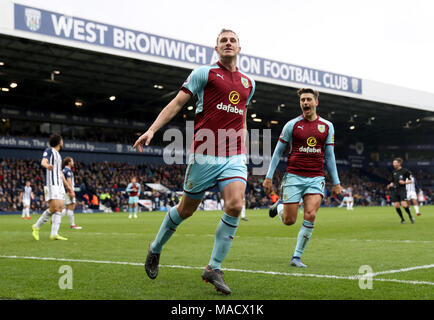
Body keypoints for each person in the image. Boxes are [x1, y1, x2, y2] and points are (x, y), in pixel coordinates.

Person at [133, 29, 255, 295]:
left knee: (235, 205)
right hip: (205, 153)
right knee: (185, 210)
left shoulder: (248, 83)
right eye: (223, 40)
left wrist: (243, 150)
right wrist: (152, 130)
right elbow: (177, 104)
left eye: (232, 40)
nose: (228, 43)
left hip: (234, 156)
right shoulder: (204, 73)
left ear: (240, 47)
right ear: (216, 48)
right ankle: (155, 248)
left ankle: (214, 267)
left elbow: (242, 118)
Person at [263, 88, 342, 268]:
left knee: (311, 214)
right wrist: (268, 177)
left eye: (308, 99)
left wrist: (336, 183)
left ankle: (296, 257)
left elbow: (329, 156)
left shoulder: (327, 126)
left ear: (316, 102)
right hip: (293, 176)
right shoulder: (292, 125)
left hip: (315, 177)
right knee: (289, 221)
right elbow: (277, 152)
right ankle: (280, 206)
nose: (305, 103)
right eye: (302, 100)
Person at [32, 134, 74, 241]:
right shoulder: (49, 150)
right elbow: (43, 162)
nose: (63, 142)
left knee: (60, 207)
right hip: (51, 183)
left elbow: (60, 173)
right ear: (59, 142)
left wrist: (68, 186)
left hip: (59, 184)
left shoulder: (59, 155)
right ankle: (36, 226)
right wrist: (47, 166)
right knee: (54, 208)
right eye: (62, 140)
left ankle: (54, 234)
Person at [386, 158, 415, 224]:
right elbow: (393, 182)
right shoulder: (393, 172)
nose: (393, 164)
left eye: (395, 163)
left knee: (404, 204)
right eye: (393, 163)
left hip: (402, 189)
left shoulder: (405, 171)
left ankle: (410, 216)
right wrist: (390, 185)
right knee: (396, 205)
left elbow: (411, 180)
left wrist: (404, 182)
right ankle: (402, 219)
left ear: (399, 163)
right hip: (394, 190)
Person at [62, 157, 82, 229]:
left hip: (64, 190)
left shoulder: (63, 170)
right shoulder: (68, 171)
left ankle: (55, 219)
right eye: (72, 161)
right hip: (68, 190)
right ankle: (72, 225)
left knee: (66, 208)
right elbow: (69, 181)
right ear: (69, 163)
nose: (73, 162)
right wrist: (71, 191)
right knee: (70, 207)